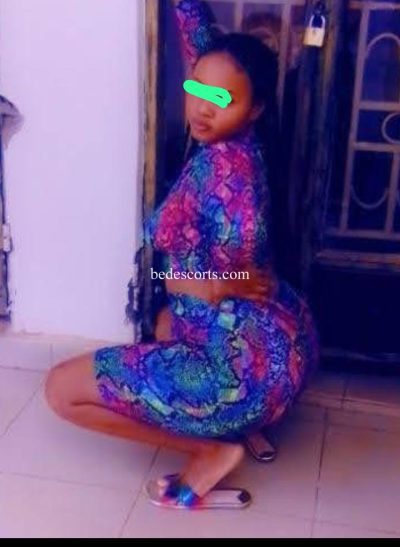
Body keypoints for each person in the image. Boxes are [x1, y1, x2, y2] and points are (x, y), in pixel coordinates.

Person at [45, 0, 319, 510]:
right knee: (165, 323)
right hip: (282, 347)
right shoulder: (239, 131)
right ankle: (246, 425)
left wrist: (216, 282)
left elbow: (210, 272)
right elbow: (198, 41)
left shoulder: (226, 175)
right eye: (197, 88)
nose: (201, 107)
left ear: (255, 108)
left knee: (60, 390)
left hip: (238, 374)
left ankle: (211, 448)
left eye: (220, 99)